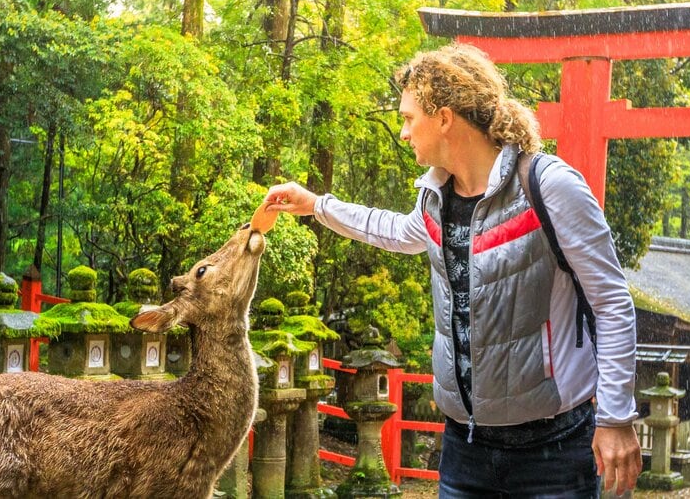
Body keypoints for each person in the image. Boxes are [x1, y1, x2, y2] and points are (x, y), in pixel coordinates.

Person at [264, 43, 642, 497]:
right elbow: (396, 231)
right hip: (465, 447)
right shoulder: (435, 197)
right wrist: (316, 206)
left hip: (555, 447)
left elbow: (612, 303)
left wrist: (616, 417)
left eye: (408, 118)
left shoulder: (549, 186)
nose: (403, 132)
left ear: (444, 117)